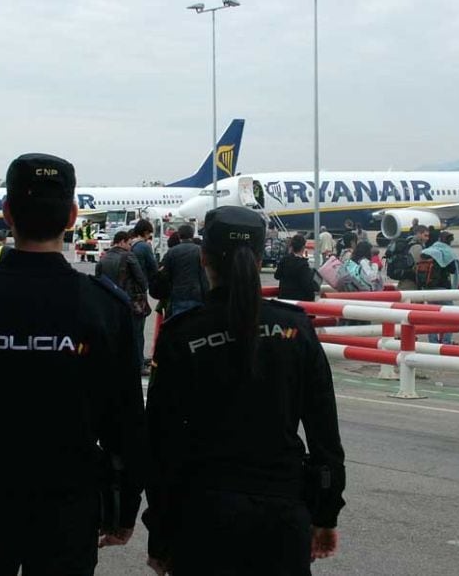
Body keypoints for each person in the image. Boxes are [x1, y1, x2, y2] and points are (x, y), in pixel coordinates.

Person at [0, 153, 146, 575]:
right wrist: (123, 508)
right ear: (73, 216)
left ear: (6, 214)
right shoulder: (103, 307)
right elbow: (126, 422)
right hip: (67, 503)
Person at [144, 206, 345, 576]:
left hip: (203, 516)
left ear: (204, 258)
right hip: (281, 515)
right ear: (257, 258)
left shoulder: (182, 334)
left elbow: (161, 445)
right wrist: (325, 513)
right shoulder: (295, 329)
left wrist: (160, 534)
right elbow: (324, 437)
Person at [95, 231, 150, 372]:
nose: (130, 247)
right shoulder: (129, 256)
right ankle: (139, 365)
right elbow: (142, 281)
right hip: (131, 302)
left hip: (109, 302)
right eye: (129, 244)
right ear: (122, 242)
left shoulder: (104, 258)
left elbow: (97, 280)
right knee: (136, 334)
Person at [419, 231, 459, 344]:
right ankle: (446, 341)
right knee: (450, 316)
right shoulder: (445, 252)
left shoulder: (428, 251)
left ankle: (433, 342)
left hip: (427, 289)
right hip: (442, 289)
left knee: (432, 317)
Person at [159, 224, 208, 318]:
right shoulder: (199, 250)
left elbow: (166, 275)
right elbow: (203, 275)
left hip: (177, 295)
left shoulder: (171, 252)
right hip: (196, 294)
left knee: (179, 324)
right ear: (192, 235)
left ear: (179, 235)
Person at [130, 219, 158, 370]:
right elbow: (153, 267)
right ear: (146, 232)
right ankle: (139, 363)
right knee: (139, 329)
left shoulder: (129, 244)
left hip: (125, 290)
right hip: (139, 292)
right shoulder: (144, 247)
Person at [275, 234, 319, 301]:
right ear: (303, 247)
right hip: (298, 300)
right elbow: (307, 285)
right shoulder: (303, 265)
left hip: (284, 298)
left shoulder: (284, 260)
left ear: (292, 246)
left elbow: (277, 276)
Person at [396, 224, 430, 290]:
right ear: (418, 234)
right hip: (410, 283)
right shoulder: (417, 247)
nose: (427, 238)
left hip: (405, 280)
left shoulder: (409, 242)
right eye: (425, 236)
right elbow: (419, 264)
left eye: (428, 236)